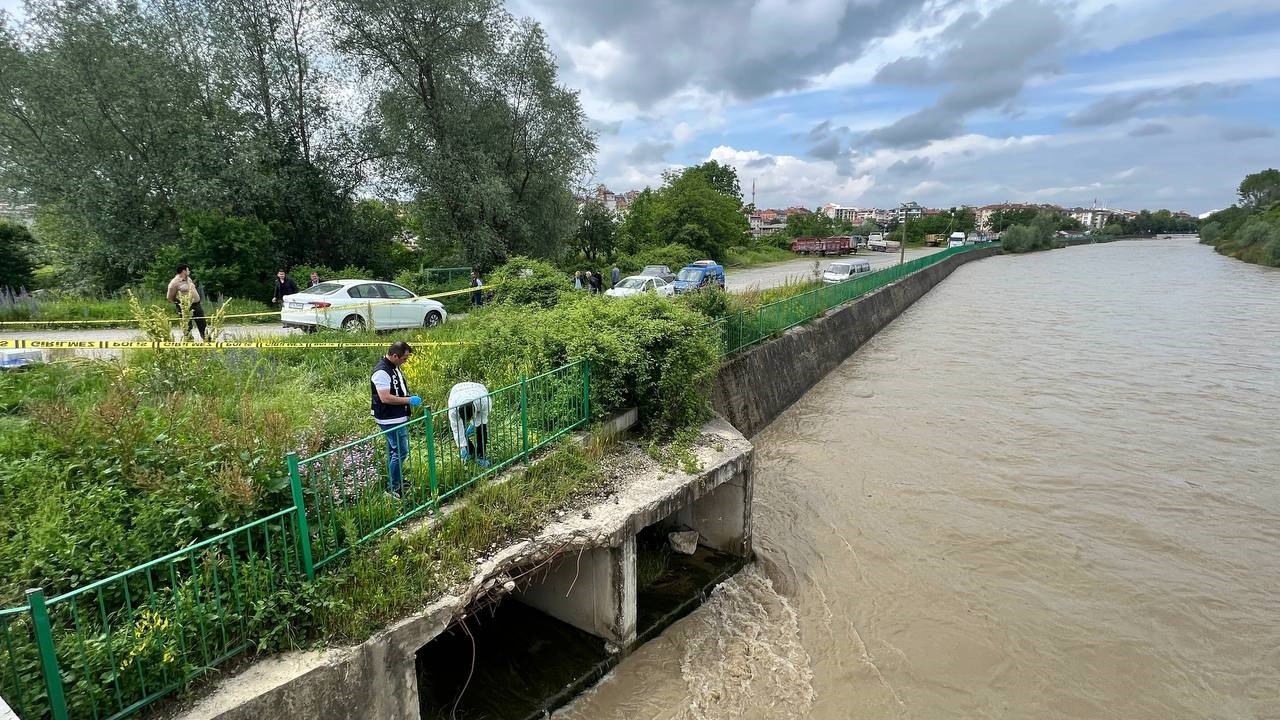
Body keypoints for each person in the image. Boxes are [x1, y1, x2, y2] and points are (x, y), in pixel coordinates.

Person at [370, 341, 422, 500]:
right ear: (394, 356)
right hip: (390, 418)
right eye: (404, 358)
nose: (405, 361)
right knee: (400, 452)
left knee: (395, 451)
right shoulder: (381, 372)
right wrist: (408, 401)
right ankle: (392, 488)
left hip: (397, 416)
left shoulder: (393, 367)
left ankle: (397, 481)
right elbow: (385, 398)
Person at [448, 381, 491, 469]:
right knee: (461, 432)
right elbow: (456, 428)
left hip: (478, 389)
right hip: (457, 390)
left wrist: (475, 424)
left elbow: (483, 417)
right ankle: (470, 451)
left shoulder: (484, 401)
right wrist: (462, 446)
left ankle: (481, 455)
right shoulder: (453, 408)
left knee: (481, 428)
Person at [166, 264, 208, 342]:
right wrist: (179, 304)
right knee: (187, 326)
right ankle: (189, 342)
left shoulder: (188, 279)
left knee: (202, 323)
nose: (189, 271)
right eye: (188, 270)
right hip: (185, 307)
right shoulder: (174, 283)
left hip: (196, 305)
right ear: (183, 271)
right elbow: (169, 297)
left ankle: (207, 340)